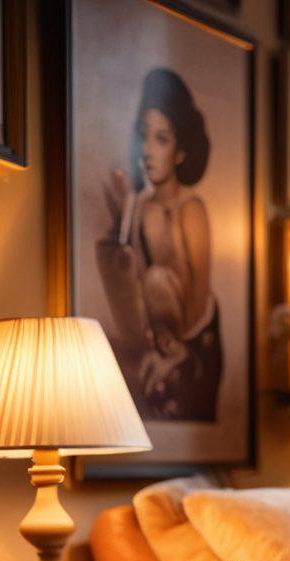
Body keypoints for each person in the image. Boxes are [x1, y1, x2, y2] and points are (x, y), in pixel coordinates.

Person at [97, 67, 222, 421]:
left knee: (158, 279)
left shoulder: (192, 209)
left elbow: (199, 292)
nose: (149, 151)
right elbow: (135, 277)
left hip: (197, 335)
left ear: (181, 151)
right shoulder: (143, 208)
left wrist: (181, 349)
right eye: (144, 137)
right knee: (151, 279)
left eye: (162, 139)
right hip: (162, 333)